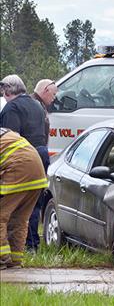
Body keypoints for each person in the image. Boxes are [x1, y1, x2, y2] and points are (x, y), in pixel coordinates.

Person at [0, 75, 47, 252]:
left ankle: (3, 258)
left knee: (3, 215)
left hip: (17, 163)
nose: (3, 94)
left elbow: (11, 139)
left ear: (9, 89)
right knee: (25, 214)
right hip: (38, 161)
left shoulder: (11, 108)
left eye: (4, 90)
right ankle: (28, 249)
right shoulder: (36, 105)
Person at [0, 128, 48, 269]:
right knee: (19, 219)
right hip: (37, 174)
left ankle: (2, 259)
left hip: (19, 169)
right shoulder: (5, 132)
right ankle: (15, 260)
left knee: (1, 216)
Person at [25, 79, 58, 250]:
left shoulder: (36, 106)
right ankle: (31, 244)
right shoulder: (35, 107)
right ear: (45, 90)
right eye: (53, 94)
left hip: (35, 157)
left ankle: (30, 243)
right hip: (35, 158)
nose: (54, 99)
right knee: (34, 203)